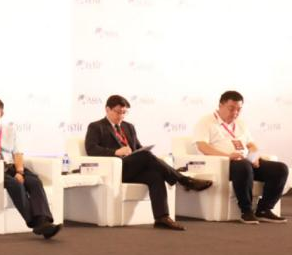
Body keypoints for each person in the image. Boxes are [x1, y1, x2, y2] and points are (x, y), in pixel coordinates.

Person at [84, 94, 213, 231]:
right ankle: (184, 180)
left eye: (124, 112)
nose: (121, 116)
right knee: (146, 155)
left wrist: (143, 150)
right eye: (117, 112)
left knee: (155, 176)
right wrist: (116, 152)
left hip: (132, 168)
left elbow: (137, 148)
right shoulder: (96, 126)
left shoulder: (128, 127)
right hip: (115, 170)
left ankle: (162, 218)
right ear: (107, 109)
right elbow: (91, 149)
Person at [0, 96, 60, 239]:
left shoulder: (10, 130)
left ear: (1, 113)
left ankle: (44, 221)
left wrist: (20, 171)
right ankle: (36, 223)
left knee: (34, 182)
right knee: (15, 184)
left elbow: (17, 153)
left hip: (11, 166)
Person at [193, 90, 289, 224]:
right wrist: (228, 156)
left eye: (239, 109)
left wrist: (254, 157)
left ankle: (264, 209)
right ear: (220, 105)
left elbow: (251, 145)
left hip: (246, 161)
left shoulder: (240, 123)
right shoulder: (206, 121)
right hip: (225, 164)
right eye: (231, 108)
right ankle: (246, 211)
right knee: (243, 166)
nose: (235, 113)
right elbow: (202, 146)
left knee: (280, 169)